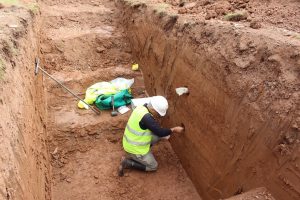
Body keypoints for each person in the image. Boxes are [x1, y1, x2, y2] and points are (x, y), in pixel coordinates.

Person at [118, 96, 184, 176]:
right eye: (158, 113)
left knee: (157, 136)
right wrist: (173, 130)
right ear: (153, 109)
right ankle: (127, 163)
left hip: (130, 141)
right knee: (153, 166)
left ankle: (142, 153)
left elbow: (157, 131)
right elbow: (160, 132)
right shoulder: (147, 118)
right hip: (134, 149)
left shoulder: (141, 108)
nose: (159, 115)